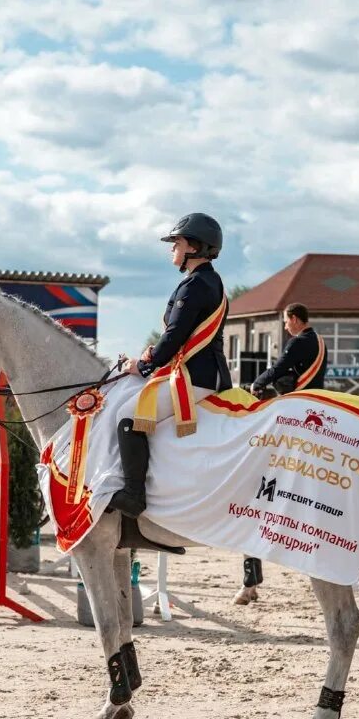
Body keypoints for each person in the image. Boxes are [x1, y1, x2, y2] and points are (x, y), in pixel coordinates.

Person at [109, 212, 232, 518]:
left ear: (194, 247)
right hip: (204, 372)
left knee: (127, 415)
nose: (172, 248)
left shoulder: (195, 285)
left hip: (197, 377)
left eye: (176, 242)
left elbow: (174, 336)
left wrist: (144, 365)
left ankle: (134, 495)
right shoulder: (209, 280)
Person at [234, 302, 328, 605]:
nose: (286, 327)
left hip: (298, 409)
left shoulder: (299, 342)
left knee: (256, 477)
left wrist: (258, 382)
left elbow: (279, 368)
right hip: (317, 404)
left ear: (296, 320)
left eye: (287, 322)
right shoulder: (320, 341)